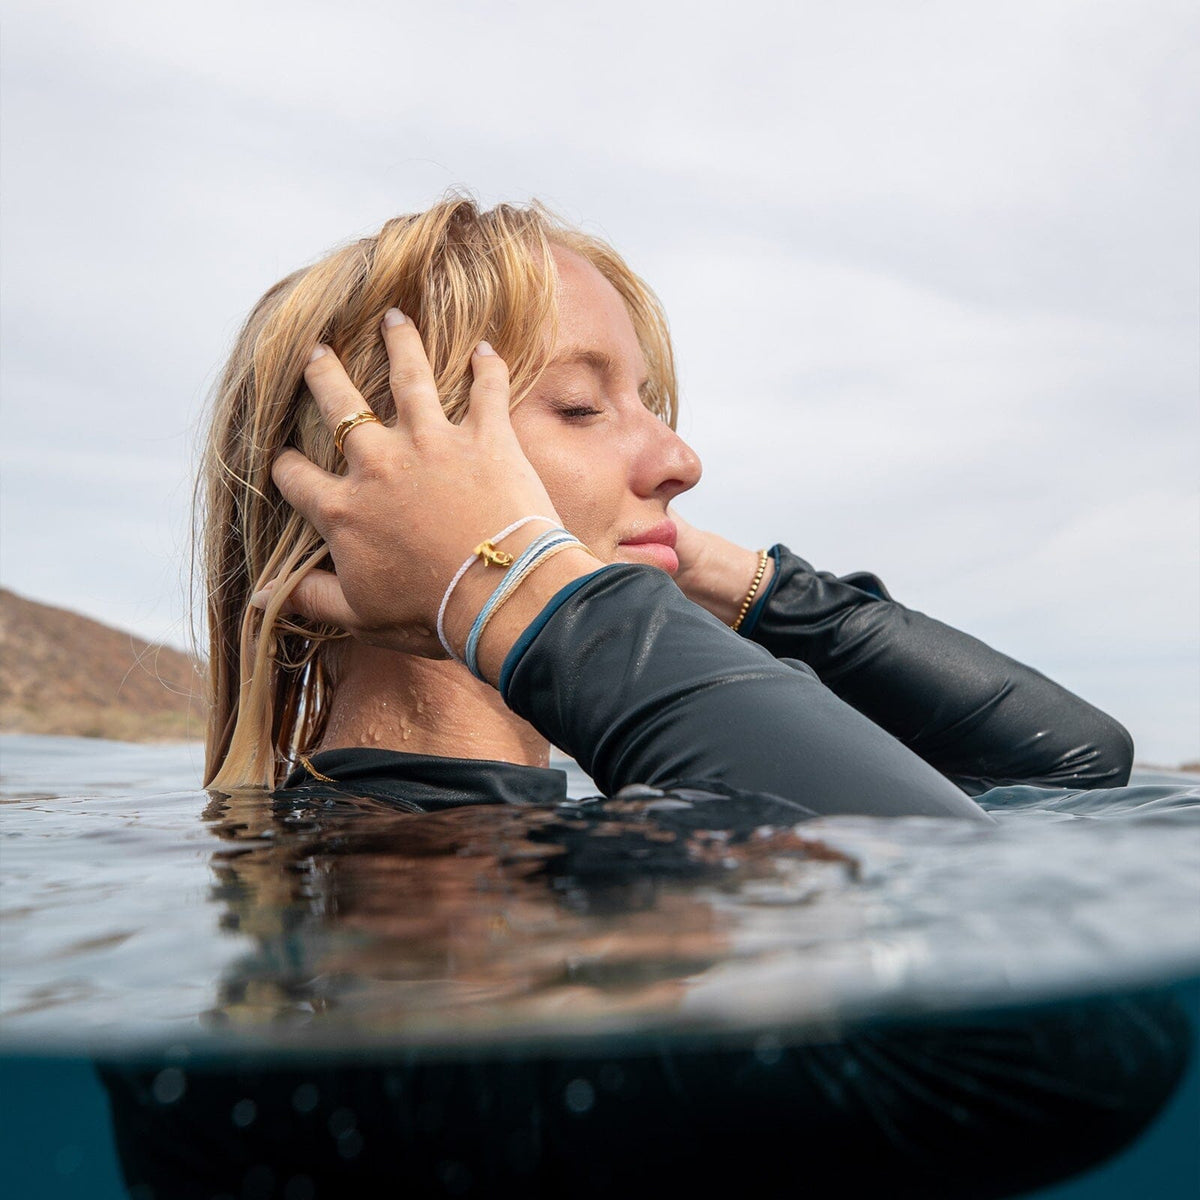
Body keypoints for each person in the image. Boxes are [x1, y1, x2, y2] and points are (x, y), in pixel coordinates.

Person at [200, 197, 1133, 816]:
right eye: (578, 406)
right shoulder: (423, 886)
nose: (681, 460)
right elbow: (965, 905)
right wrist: (520, 583)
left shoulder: (594, 821)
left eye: (652, 406)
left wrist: (719, 575)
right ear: (377, 489)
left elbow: (1076, 768)